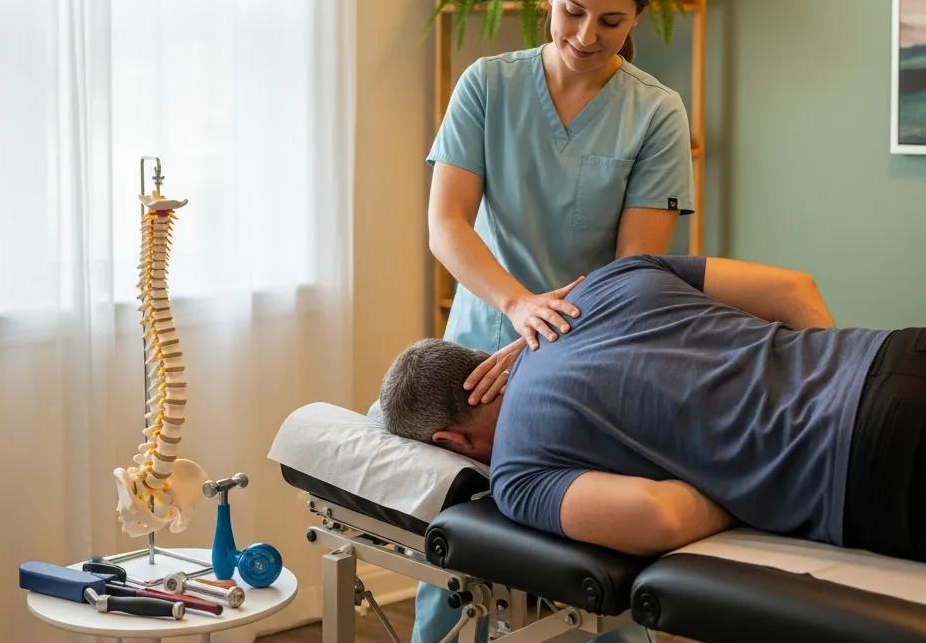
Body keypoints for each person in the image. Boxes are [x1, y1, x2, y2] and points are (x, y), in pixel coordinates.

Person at [412, 0, 695, 643]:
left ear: (637, 17)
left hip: (592, 360)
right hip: (480, 359)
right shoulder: (488, 85)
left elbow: (635, 268)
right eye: (572, 11)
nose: (586, 35)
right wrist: (515, 305)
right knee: (453, 566)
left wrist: (547, 333)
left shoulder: (656, 111)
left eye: (611, 21)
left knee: (607, 593)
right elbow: (447, 224)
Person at [379, 253, 926, 564]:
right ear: (480, 354)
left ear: (450, 441)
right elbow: (793, 287)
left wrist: (742, 480)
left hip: (869, 468)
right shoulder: (601, 281)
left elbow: (657, 515)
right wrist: (837, 383)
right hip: (893, 352)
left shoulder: (518, 477)